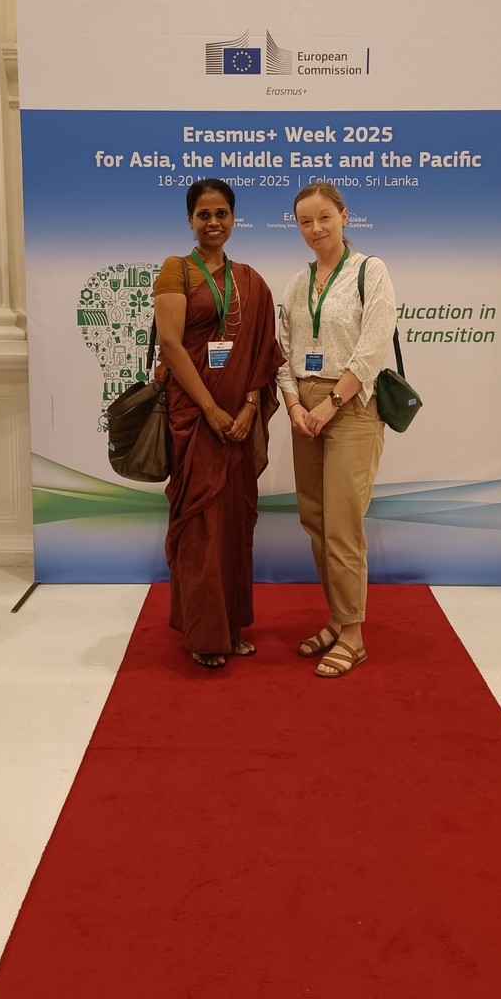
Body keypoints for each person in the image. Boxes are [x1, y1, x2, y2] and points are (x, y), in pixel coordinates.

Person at [153, 179, 284, 669]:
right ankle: (204, 632)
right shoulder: (177, 269)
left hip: (238, 424)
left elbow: (264, 354)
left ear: (233, 218)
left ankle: (230, 626)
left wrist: (249, 407)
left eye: (222, 213)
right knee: (201, 524)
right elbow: (171, 344)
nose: (213, 222)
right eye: (204, 214)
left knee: (233, 523)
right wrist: (210, 409)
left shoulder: (250, 280)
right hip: (196, 417)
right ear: (190, 220)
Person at [277, 183, 396, 679]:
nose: (316, 229)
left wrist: (330, 403)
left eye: (324, 217)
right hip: (304, 407)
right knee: (316, 520)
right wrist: (292, 404)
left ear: (345, 216)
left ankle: (353, 636)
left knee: (343, 524)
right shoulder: (295, 284)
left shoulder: (371, 271)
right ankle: (337, 618)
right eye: (305, 221)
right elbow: (282, 349)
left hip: (350, 405)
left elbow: (373, 347)